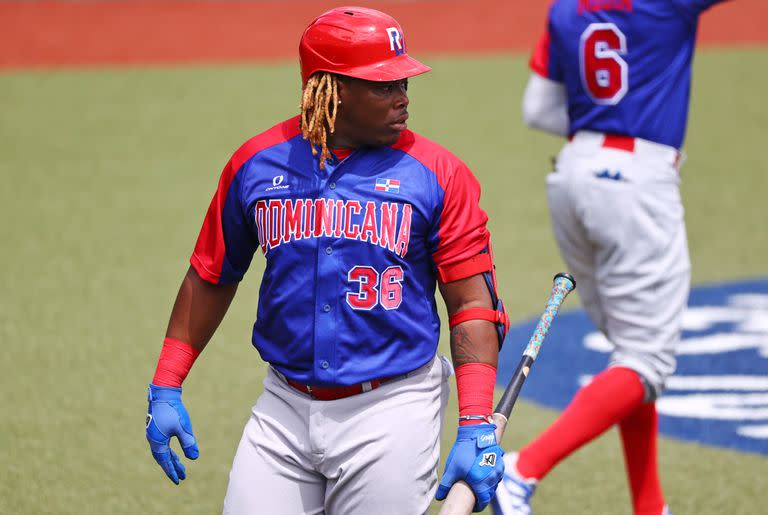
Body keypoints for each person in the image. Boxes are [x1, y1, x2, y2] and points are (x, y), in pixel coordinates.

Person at [144, 6, 509, 514]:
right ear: (329, 89)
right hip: (284, 407)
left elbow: (472, 304)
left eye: (404, 82)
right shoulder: (256, 163)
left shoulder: (438, 174)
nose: (402, 97)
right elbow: (211, 275)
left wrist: (473, 423)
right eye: (383, 86)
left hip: (392, 410)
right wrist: (166, 383)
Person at [492, 1, 728, 515]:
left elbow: (538, 109)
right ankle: (522, 468)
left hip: (574, 175)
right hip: (635, 185)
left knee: (632, 351)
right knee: (646, 359)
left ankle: (650, 506)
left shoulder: (566, 9)